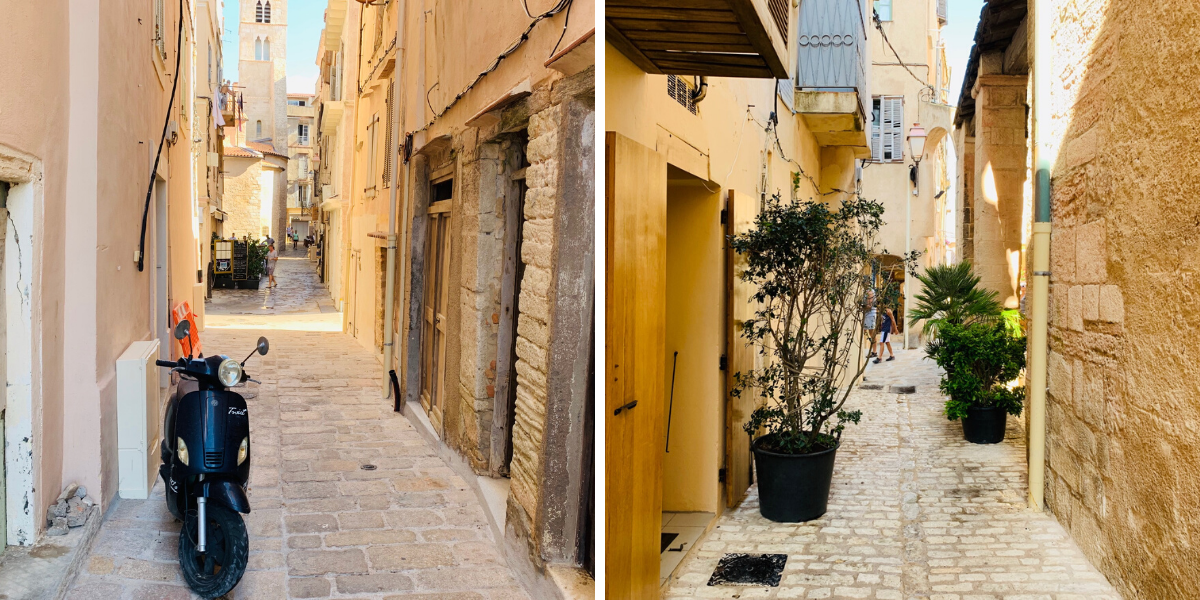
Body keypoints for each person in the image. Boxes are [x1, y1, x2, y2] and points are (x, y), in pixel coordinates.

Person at [863, 289, 878, 358]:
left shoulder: (870, 291)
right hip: (867, 315)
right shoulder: (866, 290)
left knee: (872, 334)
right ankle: (873, 351)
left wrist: (863, 306)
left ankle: (874, 352)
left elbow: (870, 305)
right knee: (868, 333)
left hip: (870, 315)